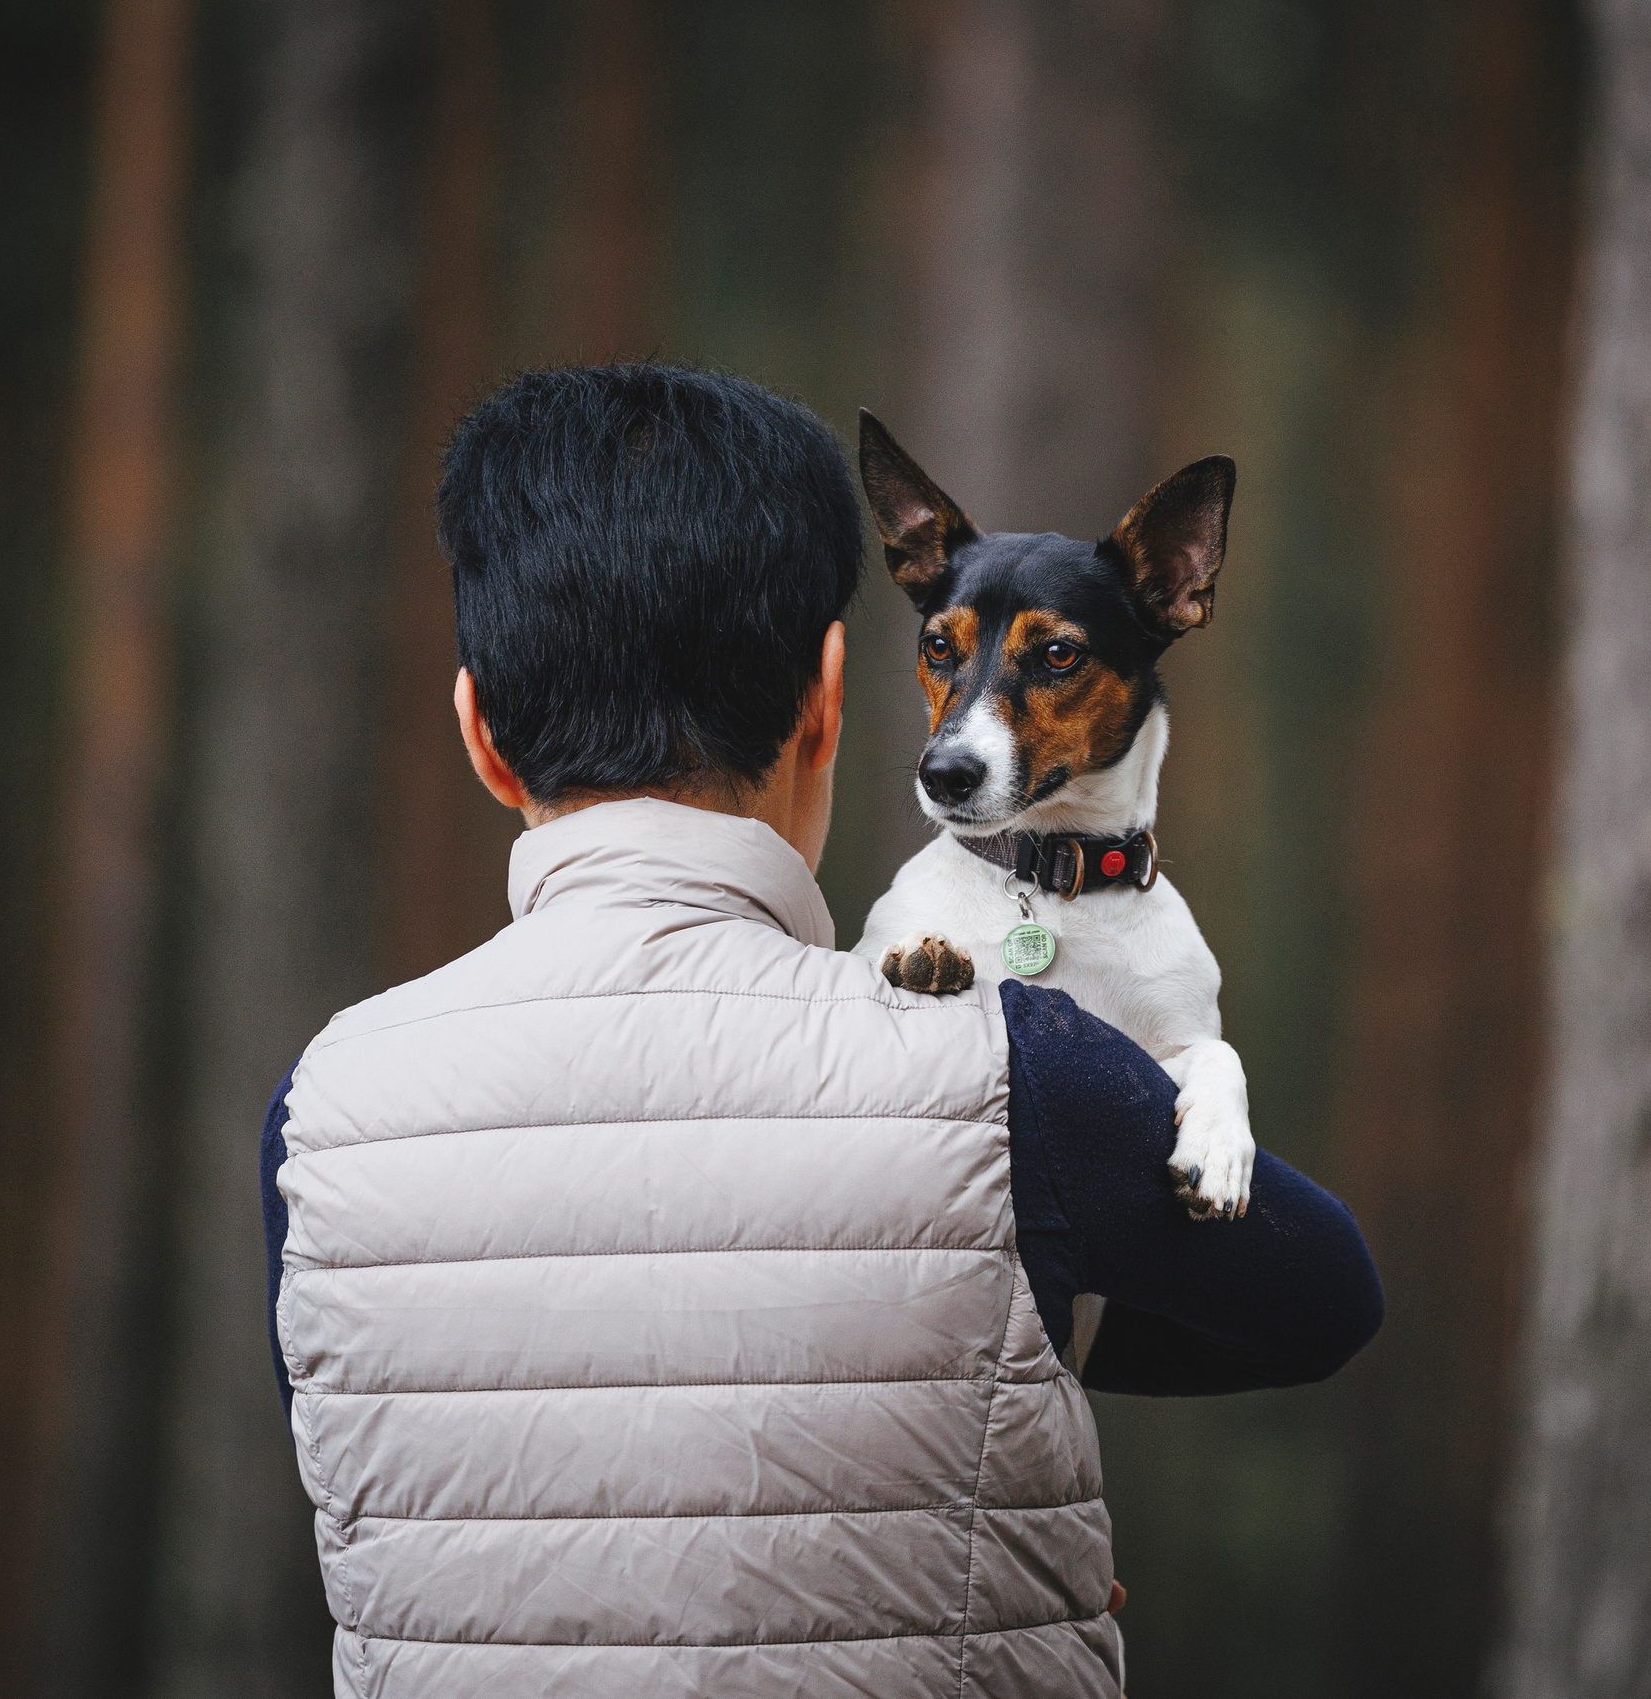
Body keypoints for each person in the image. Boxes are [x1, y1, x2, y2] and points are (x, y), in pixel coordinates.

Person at [260, 363, 1382, 1697]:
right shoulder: (1010, 1073)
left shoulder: (316, 1118)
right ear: (831, 699)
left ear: (483, 734)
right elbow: (1326, 1296)